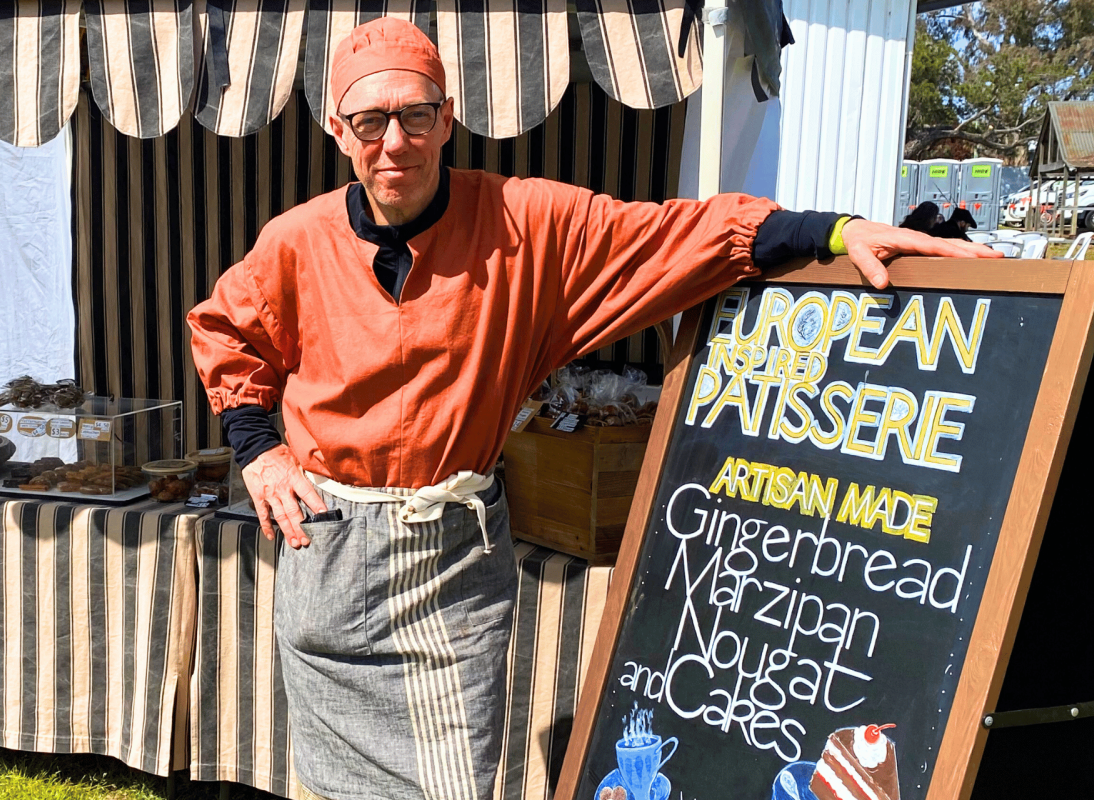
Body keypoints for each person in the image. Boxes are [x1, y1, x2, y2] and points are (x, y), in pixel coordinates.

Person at [187, 18, 1000, 800]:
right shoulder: (295, 241)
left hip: (451, 564)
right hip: (328, 552)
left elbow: (670, 235)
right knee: (336, 787)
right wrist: (259, 450)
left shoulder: (523, 221)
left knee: (454, 782)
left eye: (414, 115)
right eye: (370, 120)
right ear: (338, 129)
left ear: (447, 118)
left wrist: (834, 231)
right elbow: (228, 332)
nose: (392, 141)